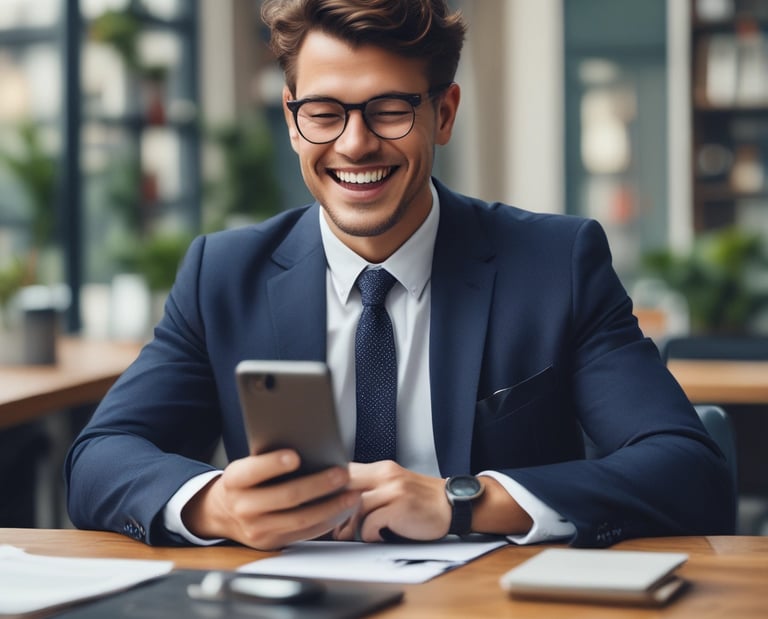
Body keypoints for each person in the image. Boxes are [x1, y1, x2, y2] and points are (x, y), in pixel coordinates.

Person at [65, 0, 735, 550]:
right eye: (324, 113)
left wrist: (462, 500)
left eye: (389, 109)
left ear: (442, 113)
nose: (354, 144)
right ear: (293, 120)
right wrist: (216, 504)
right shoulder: (223, 274)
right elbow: (100, 459)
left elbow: (687, 468)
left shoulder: (556, 264)